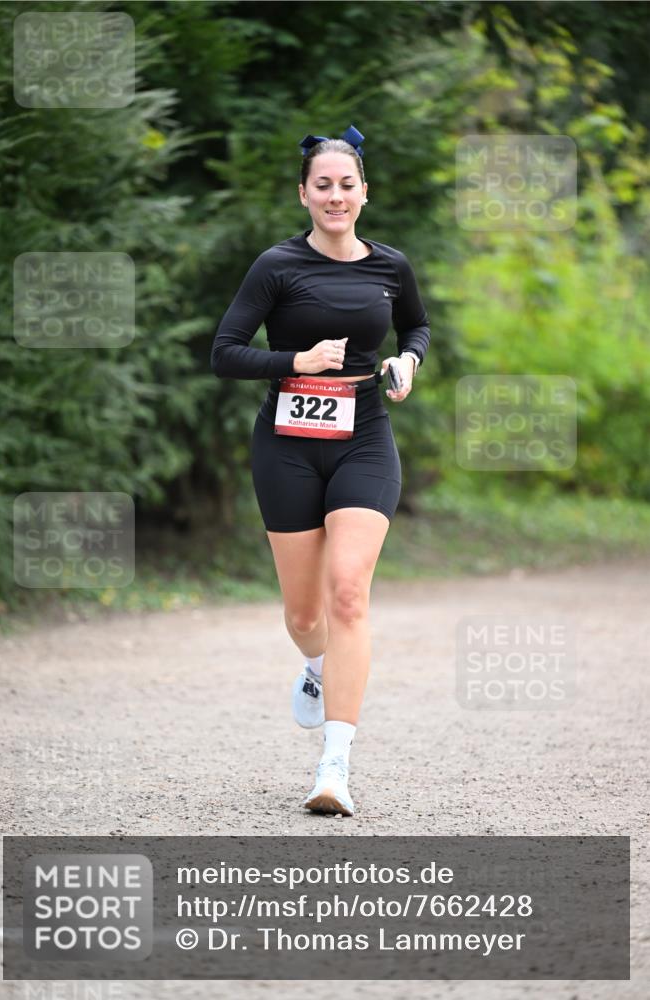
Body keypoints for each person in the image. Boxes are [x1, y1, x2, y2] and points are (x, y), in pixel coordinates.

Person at [210, 124, 430, 817]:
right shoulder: (276, 266)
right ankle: (315, 667)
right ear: (304, 194)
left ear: (364, 192)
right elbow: (224, 352)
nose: (335, 195)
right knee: (305, 615)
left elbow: (416, 328)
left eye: (346, 184)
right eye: (322, 185)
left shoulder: (390, 267)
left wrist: (408, 363)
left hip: (364, 437)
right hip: (287, 444)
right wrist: (295, 363)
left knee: (347, 595)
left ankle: (333, 766)